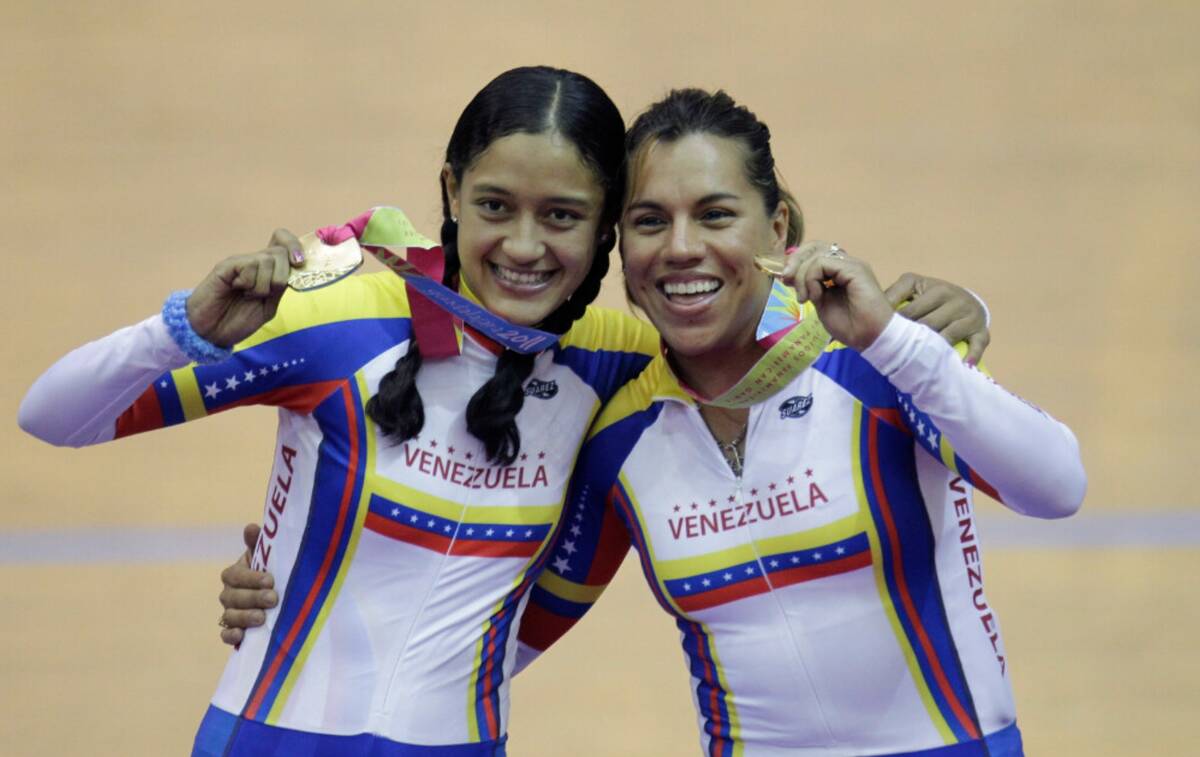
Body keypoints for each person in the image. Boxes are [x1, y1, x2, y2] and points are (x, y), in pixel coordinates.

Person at [23, 66, 989, 755]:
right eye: (495, 206)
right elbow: (52, 415)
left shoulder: (619, 357)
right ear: (449, 193)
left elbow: (770, 318)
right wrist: (186, 327)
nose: (525, 246)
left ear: (609, 227)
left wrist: (962, 311)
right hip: (264, 735)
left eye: (564, 217)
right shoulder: (336, 313)